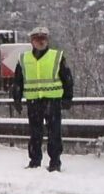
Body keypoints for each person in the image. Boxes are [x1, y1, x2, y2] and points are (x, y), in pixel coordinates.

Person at [11, 25, 74, 172]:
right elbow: (18, 81)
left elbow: (67, 78)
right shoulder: (23, 59)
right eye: (37, 39)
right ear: (31, 41)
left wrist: (67, 98)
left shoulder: (56, 57)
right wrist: (17, 98)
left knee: (54, 133)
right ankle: (34, 161)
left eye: (43, 38)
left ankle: (55, 162)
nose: (40, 41)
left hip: (53, 101)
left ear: (47, 40)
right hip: (33, 101)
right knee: (35, 133)